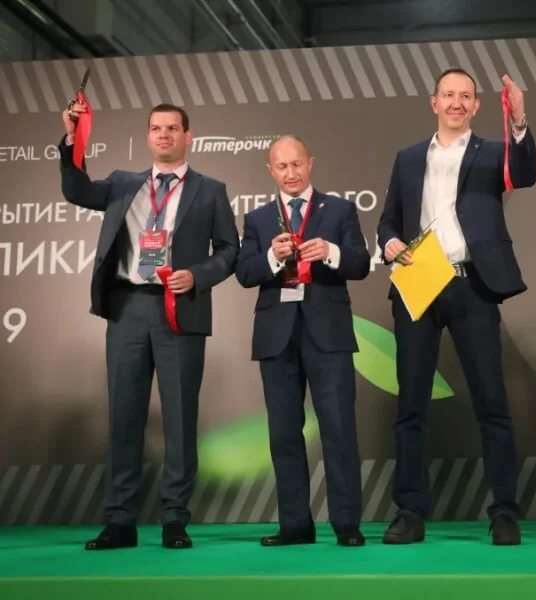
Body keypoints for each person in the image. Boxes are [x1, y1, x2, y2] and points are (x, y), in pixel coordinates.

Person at [58, 102, 239, 550]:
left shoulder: (210, 190)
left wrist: (196, 275)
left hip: (180, 309)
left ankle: (175, 519)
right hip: (128, 309)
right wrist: (72, 139)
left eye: (172, 128)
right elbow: (77, 190)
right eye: (156, 128)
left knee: (180, 420)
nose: (164, 135)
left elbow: (229, 251)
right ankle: (120, 521)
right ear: (147, 136)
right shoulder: (122, 183)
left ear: (188, 136)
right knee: (124, 418)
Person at [376, 68, 536, 545]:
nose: (456, 102)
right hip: (418, 282)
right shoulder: (408, 158)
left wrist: (520, 118)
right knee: (411, 405)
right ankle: (410, 512)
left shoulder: (493, 152)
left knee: (492, 401)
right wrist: (388, 243)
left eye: (465, 96)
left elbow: (526, 174)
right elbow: (388, 220)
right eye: (448, 95)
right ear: (434, 102)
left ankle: (504, 511)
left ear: (476, 105)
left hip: (472, 282)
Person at [235, 135, 370, 548]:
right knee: (283, 433)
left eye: (296, 164)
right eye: (282, 166)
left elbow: (361, 264)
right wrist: (273, 257)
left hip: (328, 332)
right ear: (270, 170)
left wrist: (330, 251)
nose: (290, 173)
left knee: (339, 428)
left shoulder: (340, 210)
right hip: (276, 336)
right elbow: (244, 273)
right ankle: (295, 524)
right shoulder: (258, 219)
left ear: (310, 163)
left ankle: (347, 524)